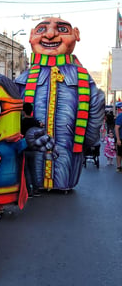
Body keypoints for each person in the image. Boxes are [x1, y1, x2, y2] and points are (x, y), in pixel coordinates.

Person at [15, 17, 105, 191]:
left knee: (65, 167)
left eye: (62, 30)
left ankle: (61, 184)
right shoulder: (24, 78)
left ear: (76, 35)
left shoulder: (82, 77)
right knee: (35, 166)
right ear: (32, 36)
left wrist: (87, 139)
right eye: (42, 30)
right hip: (33, 148)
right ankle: (35, 185)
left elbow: (96, 105)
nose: (50, 35)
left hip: (69, 150)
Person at [21, 102, 43, 197]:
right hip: (33, 148)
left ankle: (28, 191)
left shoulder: (21, 122)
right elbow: (42, 126)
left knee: (26, 170)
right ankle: (36, 189)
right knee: (33, 169)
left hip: (24, 148)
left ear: (23, 111)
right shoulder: (35, 122)